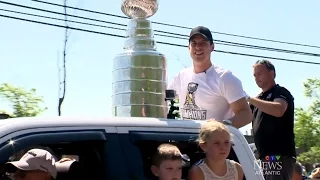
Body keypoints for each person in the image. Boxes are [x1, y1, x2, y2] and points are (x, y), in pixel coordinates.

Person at [167, 26, 252, 128]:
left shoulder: (225, 78)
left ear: (212, 47)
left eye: (203, 43)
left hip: (213, 143)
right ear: (188, 48)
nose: (198, 47)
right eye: (194, 43)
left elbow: (246, 114)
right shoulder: (180, 77)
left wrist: (219, 128)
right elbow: (165, 98)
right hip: (185, 140)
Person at [247, 59, 296, 180]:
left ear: (272, 74)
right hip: (264, 157)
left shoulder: (280, 92)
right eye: (254, 75)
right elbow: (244, 117)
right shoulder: (258, 99)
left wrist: (249, 98)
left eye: (260, 74)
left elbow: (279, 110)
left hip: (278, 156)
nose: (256, 78)